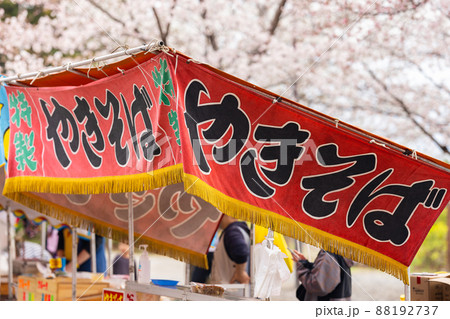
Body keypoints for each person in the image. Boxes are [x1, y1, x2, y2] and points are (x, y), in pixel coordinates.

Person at [209, 215, 250, 284]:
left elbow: (241, 251)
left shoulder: (232, 231)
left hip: (231, 291)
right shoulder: (237, 230)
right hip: (232, 290)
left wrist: (240, 272)